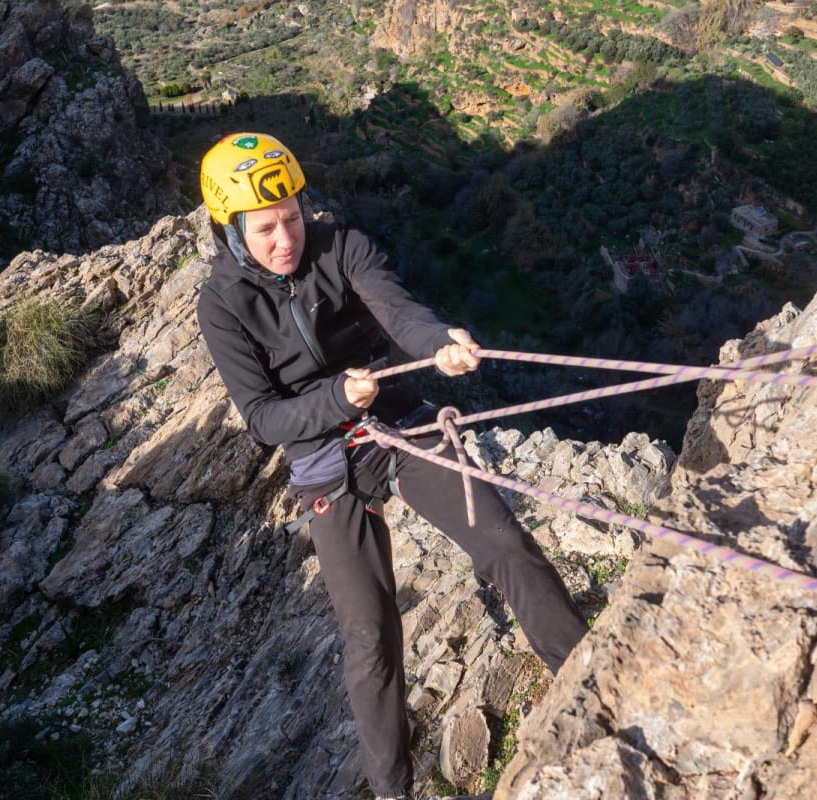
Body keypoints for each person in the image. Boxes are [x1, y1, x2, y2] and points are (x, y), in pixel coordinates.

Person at [196, 132, 589, 800]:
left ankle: (593, 679)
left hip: (398, 418)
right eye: (264, 228)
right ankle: (392, 791)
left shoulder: (343, 247)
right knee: (370, 635)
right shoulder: (224, 304)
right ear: (229, 230)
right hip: (323, 458)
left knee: (500, 541)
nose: (285, 238)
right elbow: (262, 417)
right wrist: (332, 398)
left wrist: (440, 344)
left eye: (291, 217)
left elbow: (399, 311)